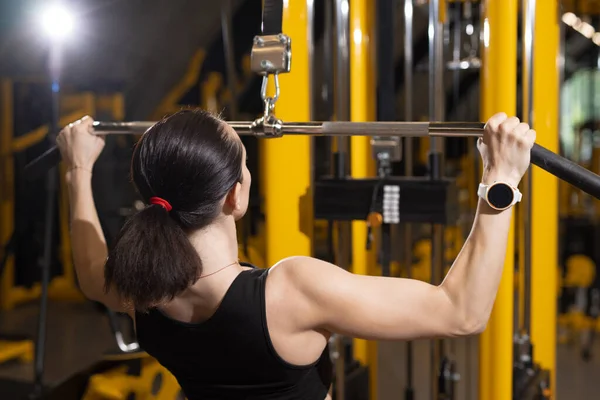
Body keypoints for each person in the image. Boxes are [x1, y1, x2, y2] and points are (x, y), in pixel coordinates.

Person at [56, 109, 535, 400]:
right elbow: (460, 313)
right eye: (245, 167)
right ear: (234, 198)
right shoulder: (289, 292)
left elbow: (89, 271)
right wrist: (501, 182)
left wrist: (78, 168)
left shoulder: (137, 288)